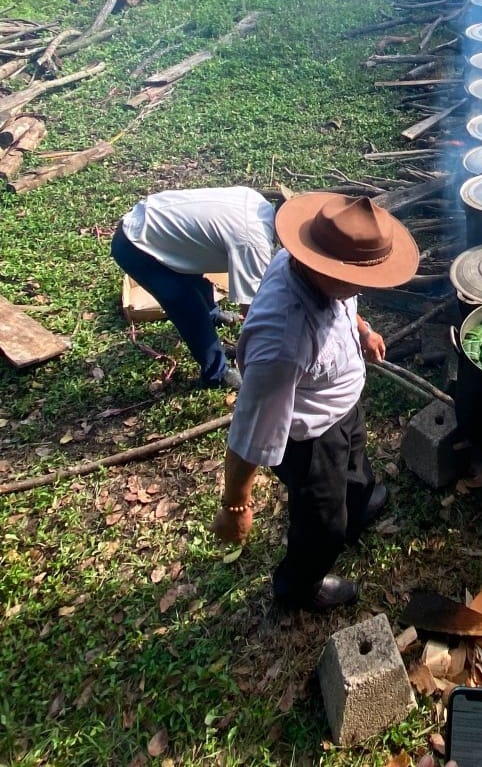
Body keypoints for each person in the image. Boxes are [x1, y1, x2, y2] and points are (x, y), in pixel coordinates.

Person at [210, 192, 420, 612]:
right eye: (362, 279)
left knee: (358, 471)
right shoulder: (281, 341)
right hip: (309, 438)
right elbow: (249, 432)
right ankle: (300, 586)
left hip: (343, 406)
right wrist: (236, 505)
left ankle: (358, 506)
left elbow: (348, 300)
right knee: (322, 525)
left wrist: (362, 330)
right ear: (324, 267)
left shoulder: (325, 269)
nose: (365, 287)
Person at [111, 186, 277, 390]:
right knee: (189, 309)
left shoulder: (257, 202)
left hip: (156, 224)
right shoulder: (252, 243)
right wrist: (264, 351)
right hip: (136, 246)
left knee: (197, 279)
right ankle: (216, 373)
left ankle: (213, 314)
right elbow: (253, 311)